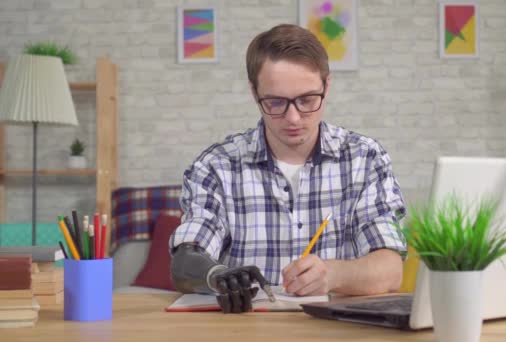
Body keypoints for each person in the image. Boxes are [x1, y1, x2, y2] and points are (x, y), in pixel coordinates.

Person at [170, 24, 406, 314]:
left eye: (307, 100)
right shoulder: (215, 167)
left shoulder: (365, 159)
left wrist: (332, 275)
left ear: (326, 86)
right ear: (254, 93)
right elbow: (184, 261)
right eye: (276, 102)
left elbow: (390, 269)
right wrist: (217, 276)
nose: (293, 118)